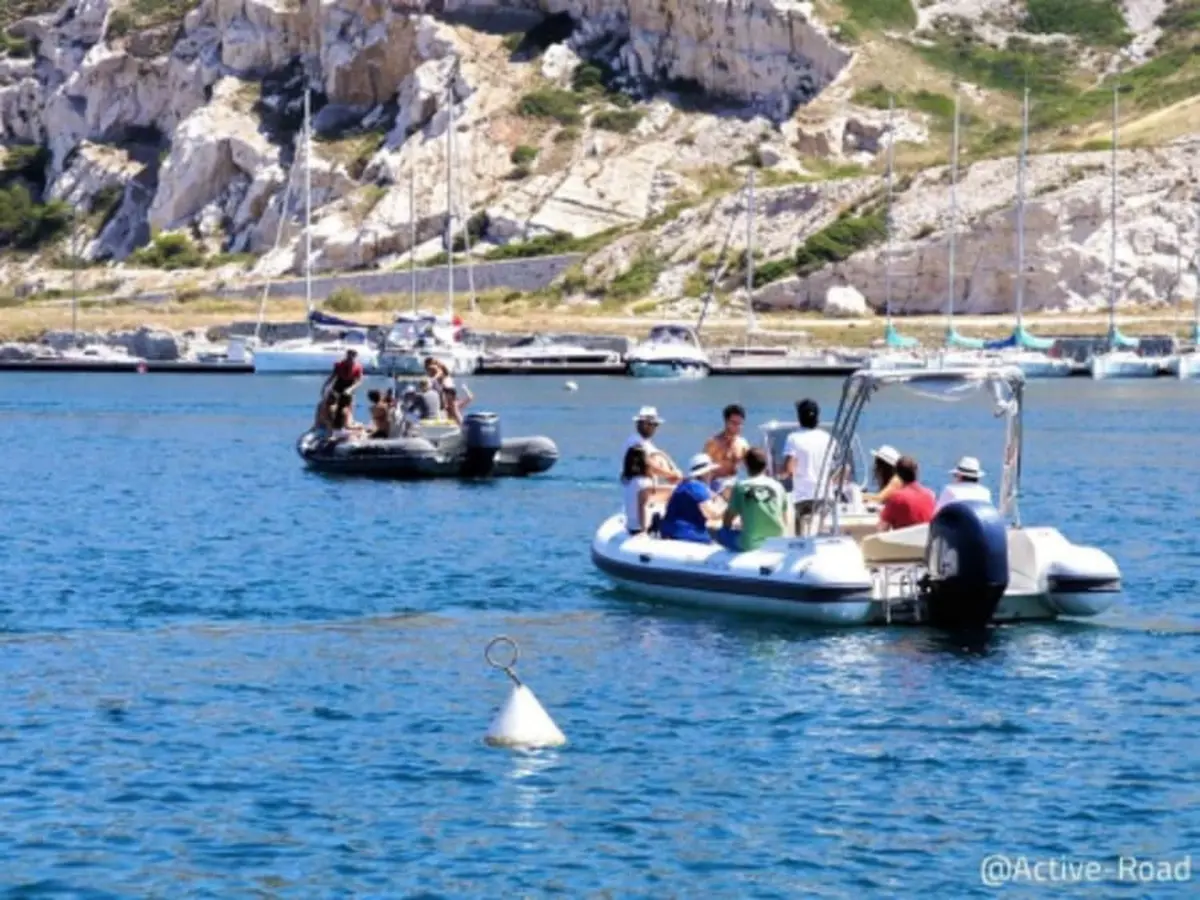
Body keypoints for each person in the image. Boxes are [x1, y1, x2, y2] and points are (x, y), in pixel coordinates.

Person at [716, 447, 787, 551]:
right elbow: (784, 519)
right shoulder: (778, 486)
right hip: (778, 541)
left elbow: (728, 518)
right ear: (765, 466)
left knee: (722, 533)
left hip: (750, 543)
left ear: (746, 466)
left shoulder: (740, 486)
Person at [782, 398, 837, 532]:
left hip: (803, 498)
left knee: (800, 537)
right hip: (826, 497)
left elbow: (788, 469)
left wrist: (781, 474)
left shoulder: (793, 438)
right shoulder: (829, 438)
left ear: (799, 418)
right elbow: (841, 468)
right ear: (817, 417)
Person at [660, 453, 724, 543]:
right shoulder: (697, 488)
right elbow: (712, 514)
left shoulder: (686, 485)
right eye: (710, 471)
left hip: (670, 531)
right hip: (687, 534)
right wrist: (730, 510)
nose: (712, 474)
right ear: (705, 473)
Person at [620, 446, 673, 534]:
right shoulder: (644, 483)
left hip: (631, 526)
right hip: (641, 528)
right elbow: (670, 492)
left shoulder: (628, 481)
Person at [624, 407, 682, 484]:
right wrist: (671, 474)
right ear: (644, 425)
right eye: (654, 424)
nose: (655, 428)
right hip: (641, 486)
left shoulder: (645, 443)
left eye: (656, 425)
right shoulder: (635, 442)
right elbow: (647, 464)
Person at [878, 455, 936, 531]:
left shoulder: (896, 498)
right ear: (916, 472)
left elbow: (883, 529)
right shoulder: (931, 495)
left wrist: (882, 515)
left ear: (897, 475)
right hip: (925, 538)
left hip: (904, 538)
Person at [703, 403, 749, 494]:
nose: (738, 427)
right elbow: (703, 469)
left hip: (733, 483)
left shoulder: (742, 444)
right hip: (714, 485)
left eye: (740, 424)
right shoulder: (713, 443)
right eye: (734, 423)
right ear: (726, 422)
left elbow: (751, 466)